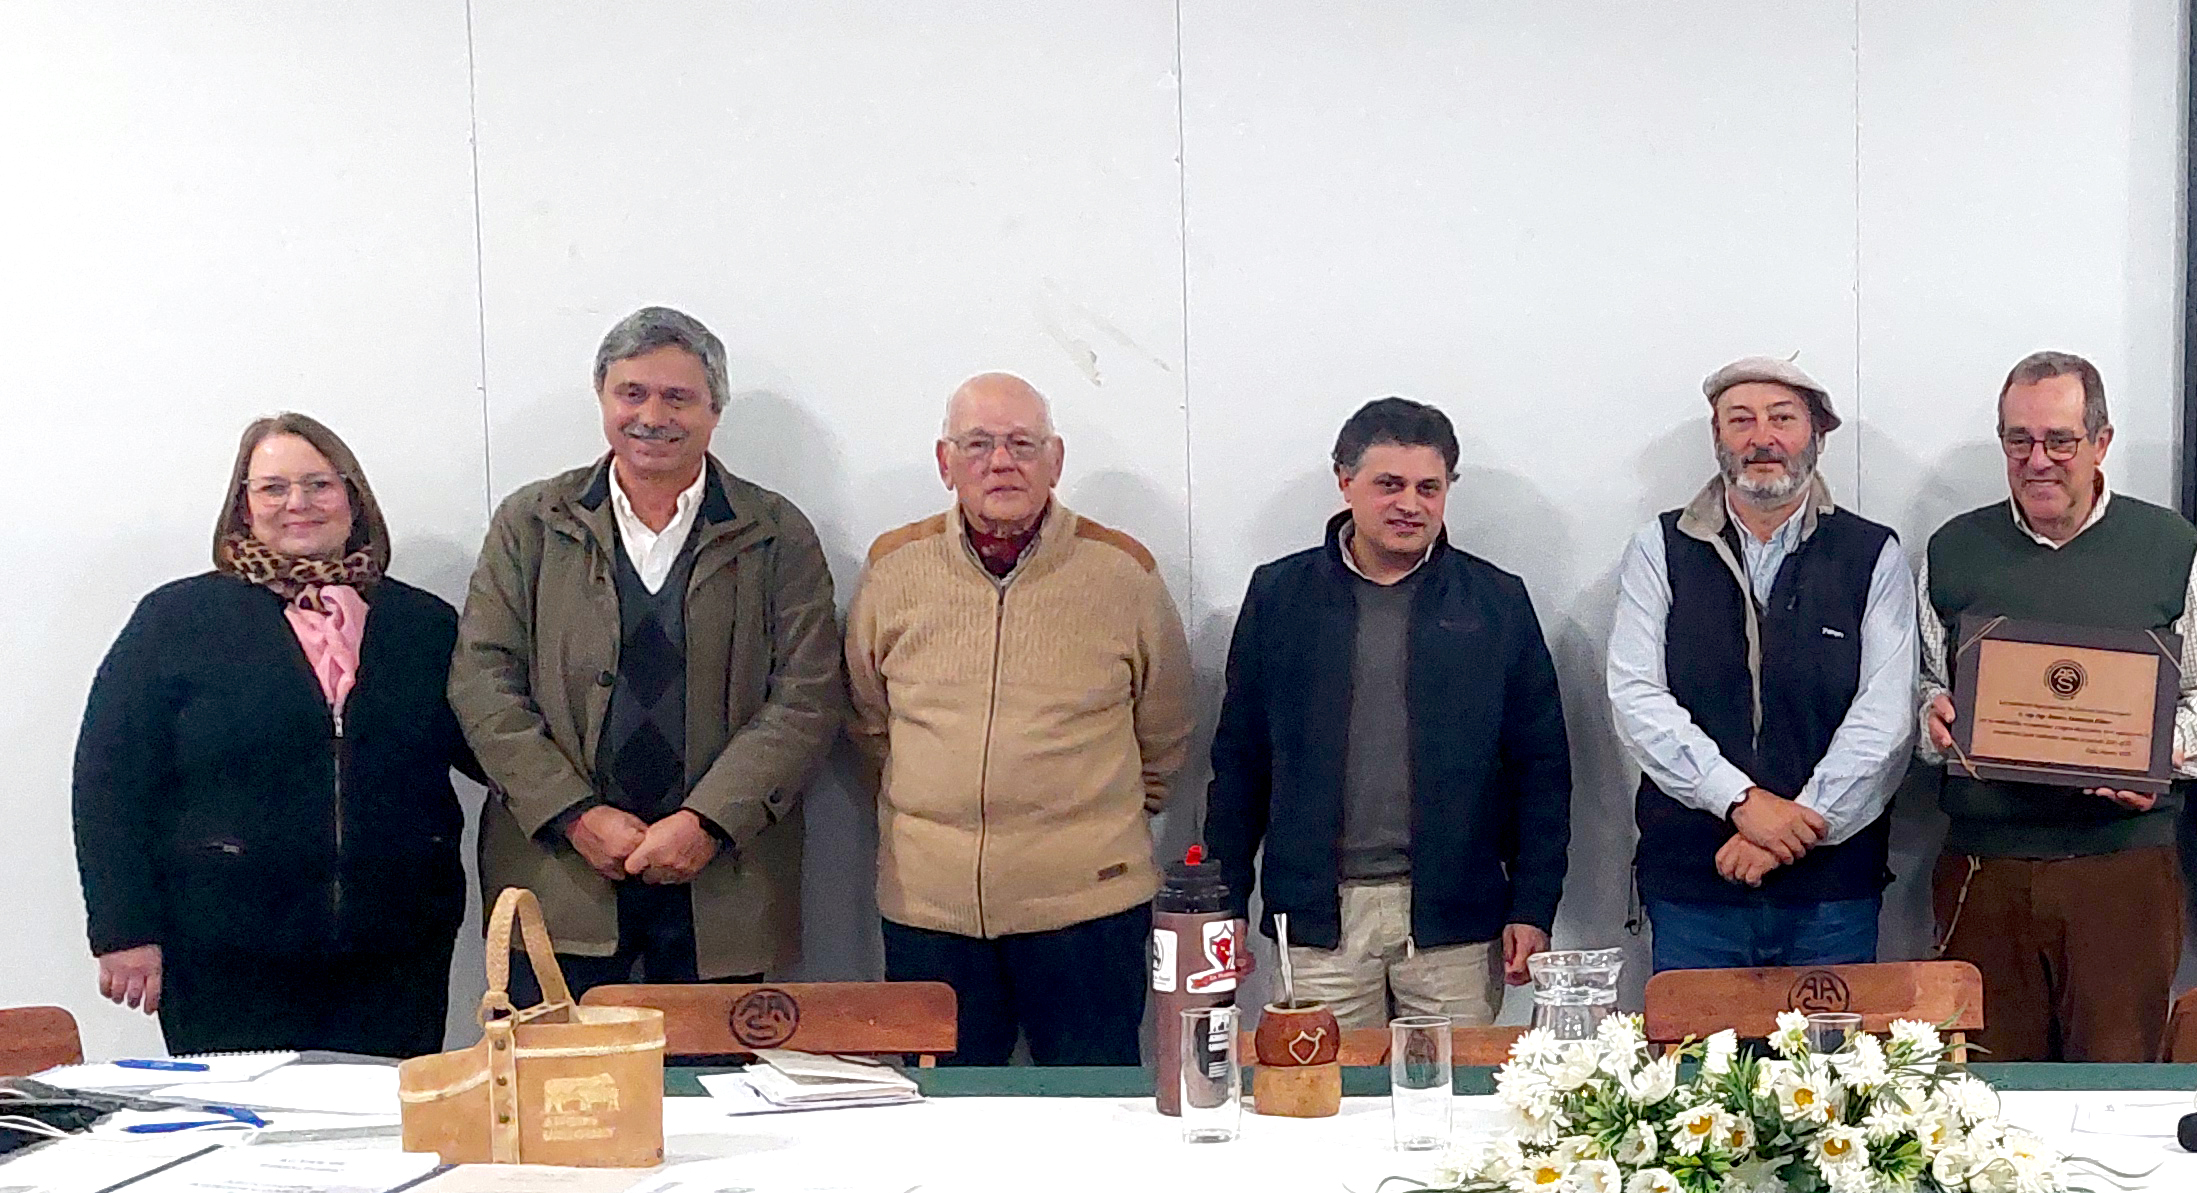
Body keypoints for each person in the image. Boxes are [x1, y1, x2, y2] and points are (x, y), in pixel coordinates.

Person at [452, 306, 845, 997]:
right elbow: (482, 681)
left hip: (725, 880)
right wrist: (575, 815)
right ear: (602, 397)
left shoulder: (776, 533)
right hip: (559, 878)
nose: (652, 416)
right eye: (631, 393)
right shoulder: (531, 524)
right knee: (561, 1067)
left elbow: (806, 697)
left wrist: (708, 822)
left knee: (714, 1067)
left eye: (678, 397)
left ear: (715, 410)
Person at [72, 415, 477, 1056]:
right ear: (243, 505)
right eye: (273, 488)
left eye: (319, 484)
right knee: (240, 1119)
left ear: (353, 497)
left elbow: (488, 744)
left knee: (383, 1116)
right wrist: (124, 929)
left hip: (396, 949)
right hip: (223, 951)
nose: (298, 503)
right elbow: (108, 782)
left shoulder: (422, 624)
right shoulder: (176, 620)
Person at [849, 374, 1195, 1065]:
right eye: (978, 444)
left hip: (1086, 910)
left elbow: (1166, 729)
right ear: (945, 462)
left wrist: (1091, 826)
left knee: (1096, 1109)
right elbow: (868, 720)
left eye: (1022, 444)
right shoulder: (894, 569)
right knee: (943, 1112)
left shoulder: (1122, 573)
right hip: (931, 910)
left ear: (1055, 460)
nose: (1001, 463)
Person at [1204, 398, 1570, 1030]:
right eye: (1389, 485)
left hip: (1455, 923)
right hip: (1319, 921)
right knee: (1323, 1085)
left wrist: (1533, 905)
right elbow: (1240, 763)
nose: (1410, 504)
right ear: (1345, 482)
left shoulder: (1495, 602)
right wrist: (1225, 900)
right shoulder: (1280, 598)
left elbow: (1540, 768)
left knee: (1456, 1087)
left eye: (1429, 488)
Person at [1918, 350, 2197, 1061]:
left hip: (2123, 868)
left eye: (2060, 441)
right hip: (1987, 867)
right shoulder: (1953, 549)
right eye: (2019, 440)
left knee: (2118, 1079)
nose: (2038, 460)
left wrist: (2153, 757)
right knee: (1987, 1089)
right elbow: (1923, 685)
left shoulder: (2169, 546)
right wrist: (1930, 716)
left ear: (2101, 442)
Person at [1608, 357, 1915, 973]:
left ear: (1817, 436)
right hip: (1695, 889)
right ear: (1717, 436)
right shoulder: (1659, 549)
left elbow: (1885, 717)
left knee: (1839, 1045)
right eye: (1740, 420)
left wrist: (1794, 830)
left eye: (1782, 419)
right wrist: (1741, 802)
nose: (1762, 438)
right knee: (1692, 1043)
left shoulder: (1871, 554)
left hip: (1832, 893)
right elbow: (1637, 699)